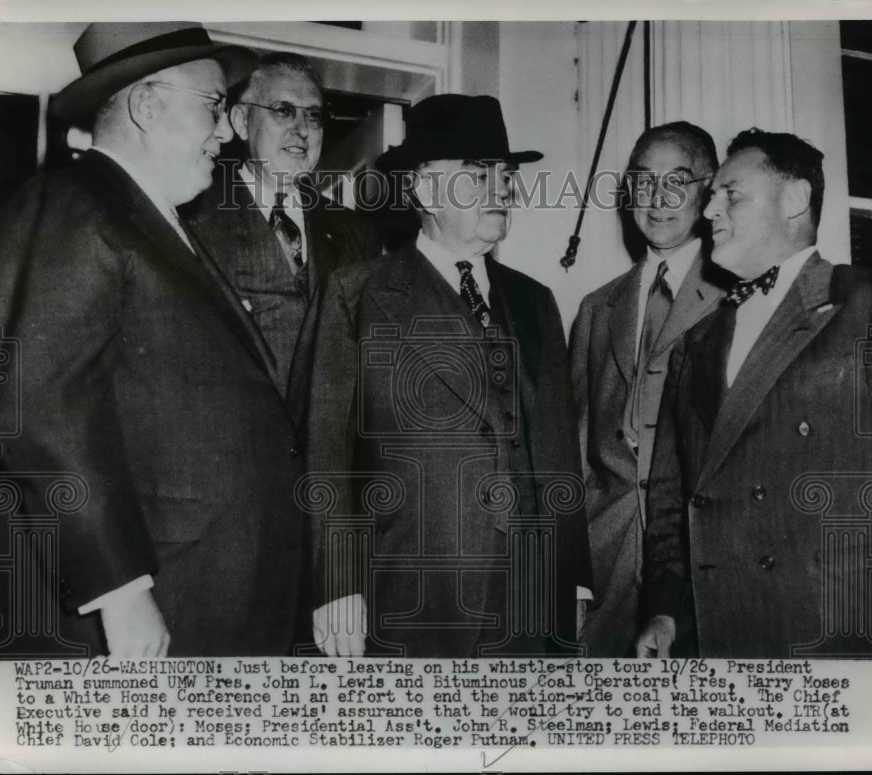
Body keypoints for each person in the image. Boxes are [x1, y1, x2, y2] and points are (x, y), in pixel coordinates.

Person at [0, 22, 309, 658]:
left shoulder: (159, 223)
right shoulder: (71, 204)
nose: (228, 131)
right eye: (213, 105)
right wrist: (120, 589)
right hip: (141, 605)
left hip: (202, 592)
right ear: (147, 106)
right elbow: (42, 407)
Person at [304, 94, 592, 657]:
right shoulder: (357, 295)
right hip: (414, 598)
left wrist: (575, 578)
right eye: (477, 173)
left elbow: (559, 450)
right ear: (423, 190)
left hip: (534, 605)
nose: (502, 187)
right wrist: (336, 587)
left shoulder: (536, 302)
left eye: (505, 174)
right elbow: (326, 452)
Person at [637, 128, 872, 659]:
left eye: (730, 194)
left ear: (796, 199)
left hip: (836, 637)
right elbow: (669, 499)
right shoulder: (693, 341)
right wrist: (664, 611)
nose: (709, 211)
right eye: (712, 196)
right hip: (716, 635)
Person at [570, 121, 726, 657]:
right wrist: (571, 570)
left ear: (710, 189)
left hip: (701, 563)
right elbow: (577, 452)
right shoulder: (596, 308)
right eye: (643, 182)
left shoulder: (736, 298)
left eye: (677, 181)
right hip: (604, 564)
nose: (657, 200)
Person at [181, 53, 376, 424]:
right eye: (283, 111)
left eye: (313, 115)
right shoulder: (192, 216)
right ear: (240, 121)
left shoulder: (355, 231)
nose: (302, 129)